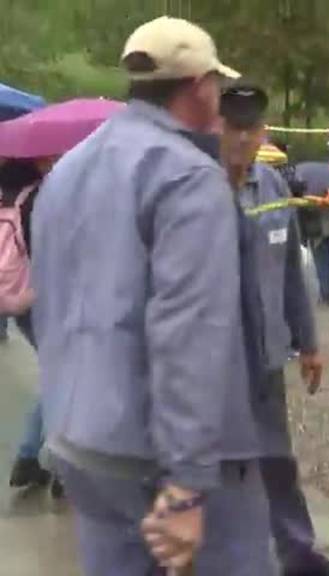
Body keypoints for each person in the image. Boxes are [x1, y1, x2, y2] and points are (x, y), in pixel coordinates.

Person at [31, 16, 273, 574]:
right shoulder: (187, 177)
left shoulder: (68, 170)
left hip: (81, 440)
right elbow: (190, 332)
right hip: (163, 461)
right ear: (199, 87)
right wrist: (187, 484)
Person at [219, 83, 329, 576]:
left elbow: (291, 271)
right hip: (216, 360)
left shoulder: (272, 186)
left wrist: (309, 343)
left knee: (276, 460)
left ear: (264, 131)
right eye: (234, 126)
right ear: (216, 126)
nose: (243, 137)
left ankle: (299, 554)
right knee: (222, 470)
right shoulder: (196, 187)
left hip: (268, 358)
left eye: (253, 127)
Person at [0, 157, 63, 498]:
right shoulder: (37, 199)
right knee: (63, 377)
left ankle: (30, 458)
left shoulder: (6, 195)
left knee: (56, 375)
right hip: (38, 295)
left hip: (15, 299)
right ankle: (49, 463)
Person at [295, 161, 329, 305]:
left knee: (322, 262)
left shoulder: (302, 178)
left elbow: (304, 210)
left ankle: (326, 294)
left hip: (319, 229)